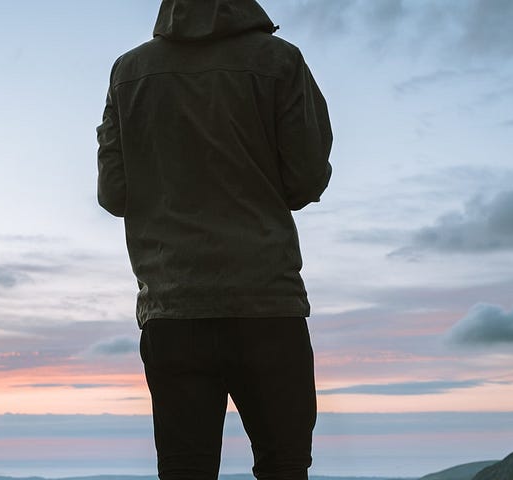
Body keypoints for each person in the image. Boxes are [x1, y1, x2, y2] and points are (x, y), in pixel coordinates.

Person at [94, 0, 333, 478]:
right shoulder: (279, 61)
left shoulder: (130, 73)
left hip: (174, 309)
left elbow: (113, 193)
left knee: (185, 470)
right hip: (268, 305)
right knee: (284, 465)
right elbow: (305, 180)